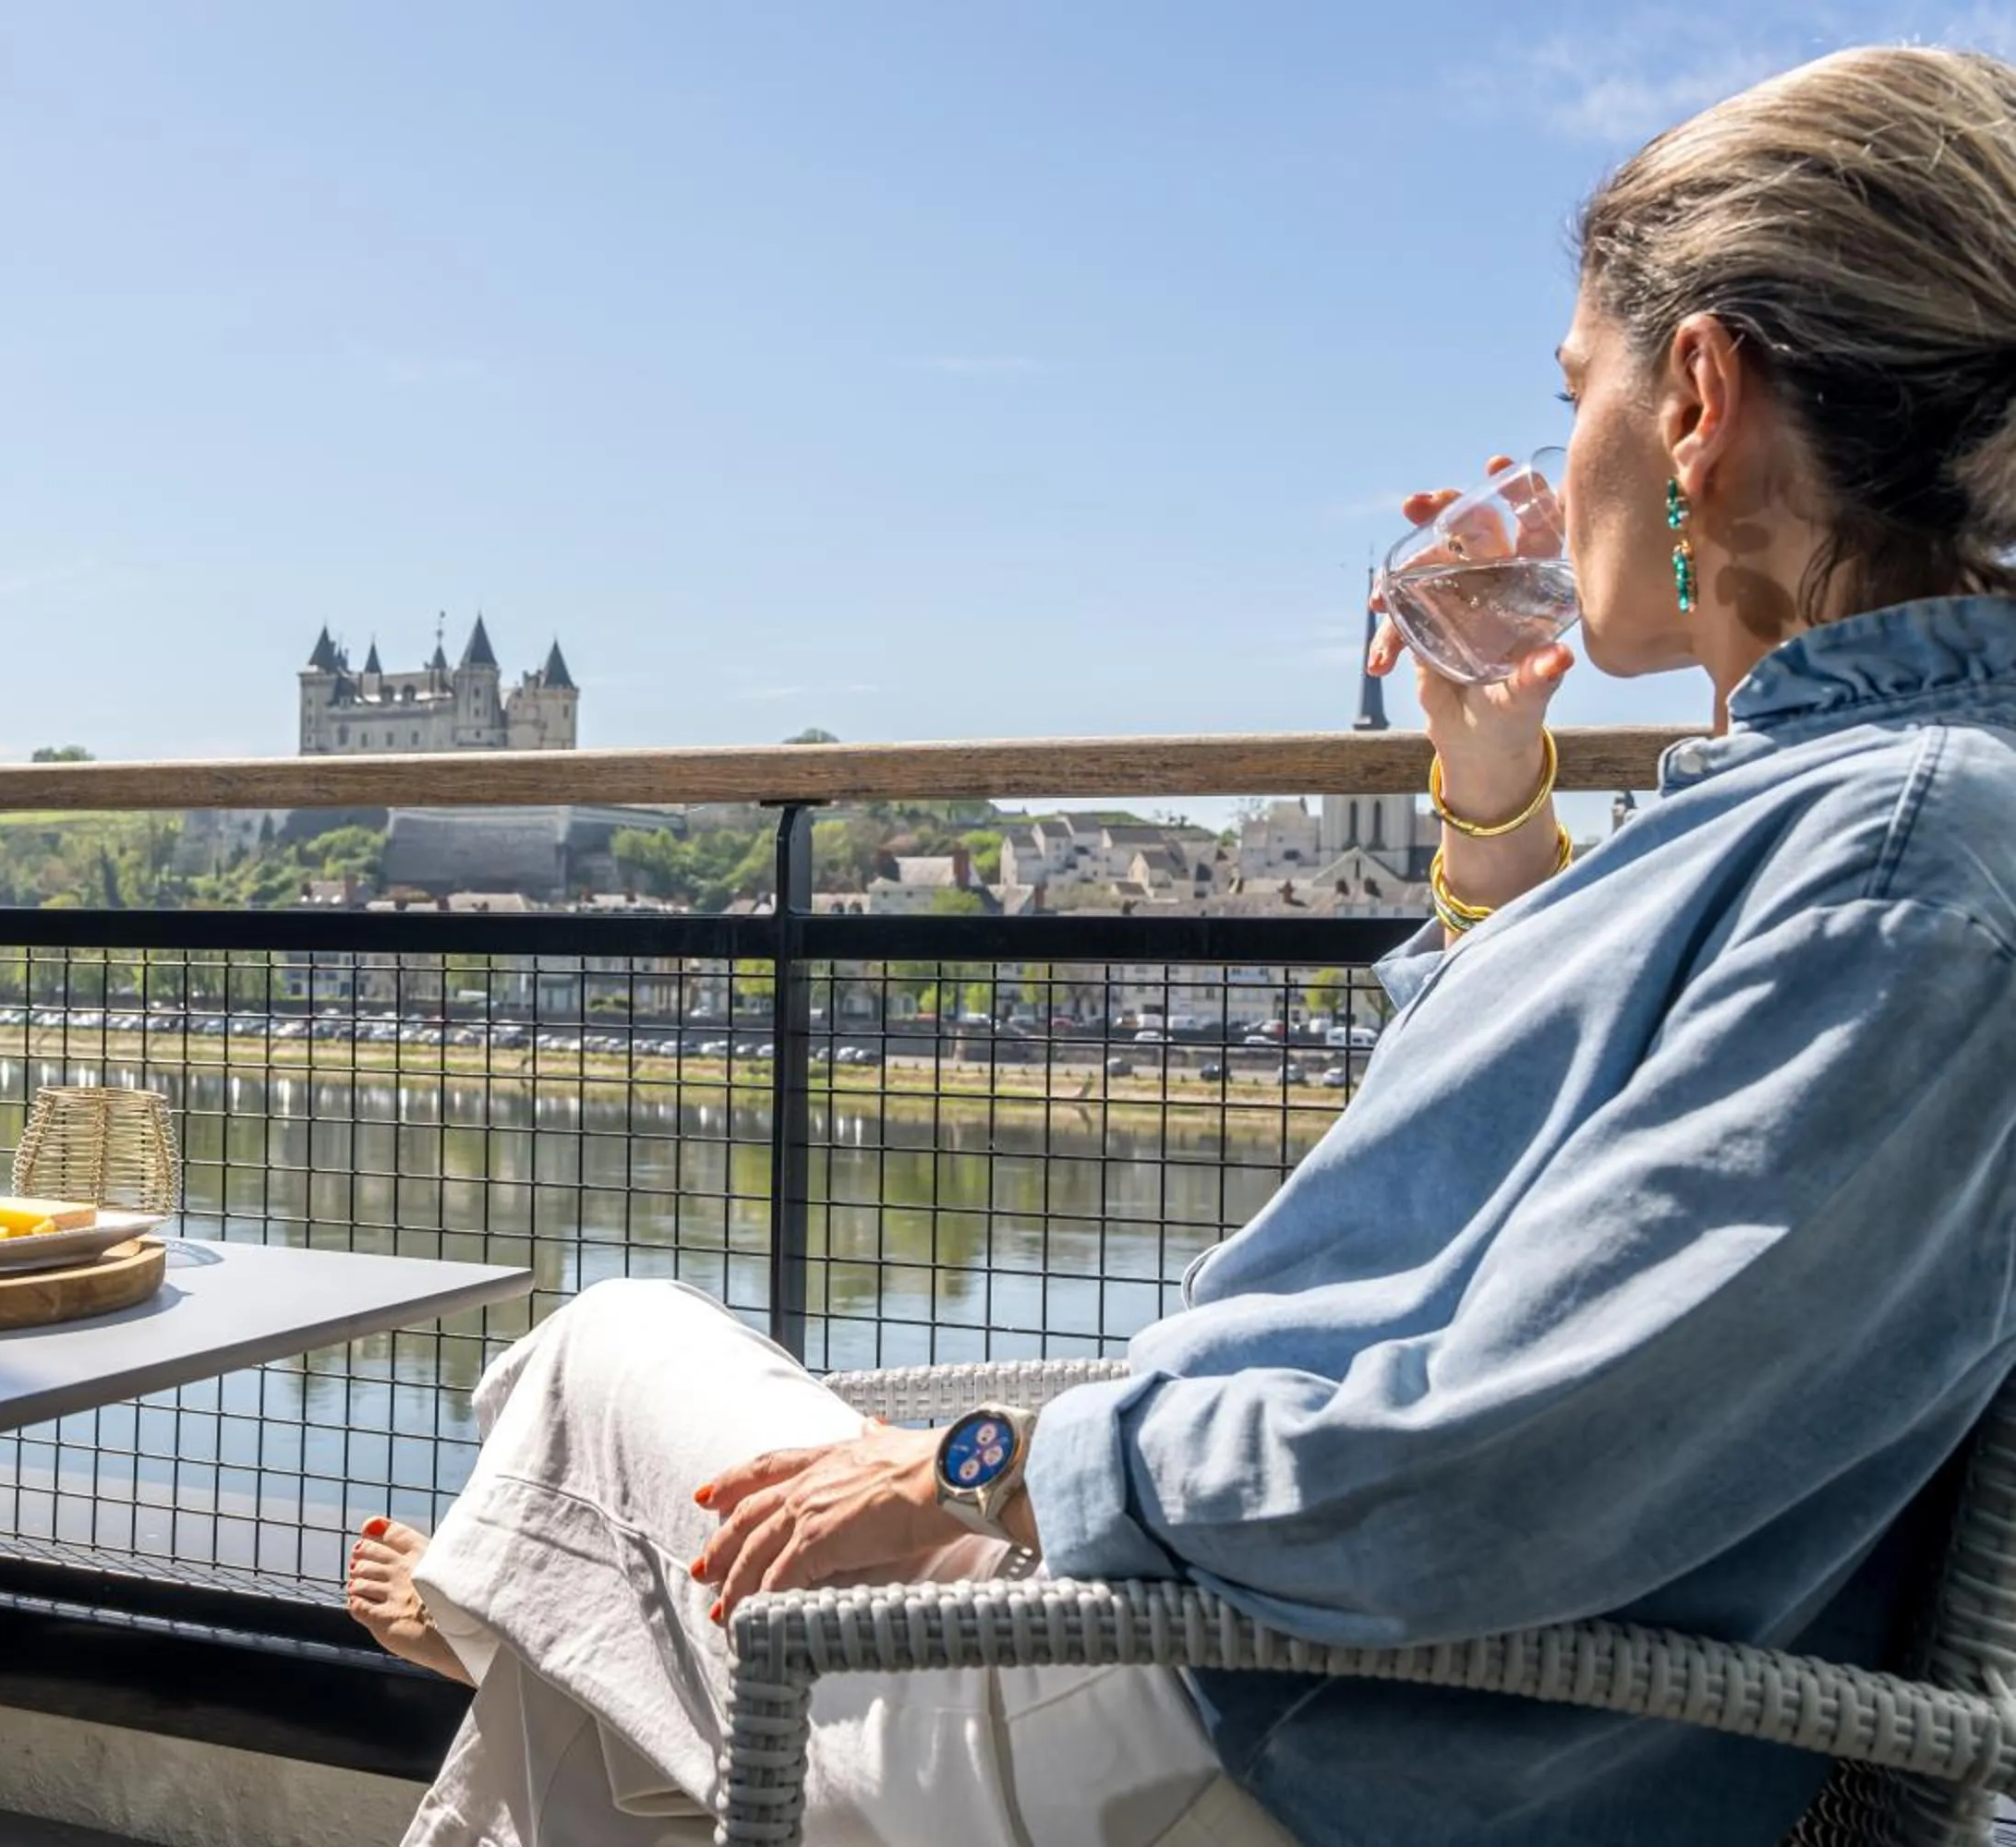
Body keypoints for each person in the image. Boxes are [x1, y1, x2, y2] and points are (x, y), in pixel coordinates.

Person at [345, 44, 2016, 1847]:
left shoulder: (1905, 851)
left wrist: (987, 1465)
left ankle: (505, 1587)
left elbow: (1511, 1462)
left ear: (1695, 393)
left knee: (603, 1354)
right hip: (1313, 1671)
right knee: (598, 1705)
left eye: (1573, 396)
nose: (1560, 464)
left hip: (1286, 1730)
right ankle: (523, 1597)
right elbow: (1569, 1188)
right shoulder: (1851, 810)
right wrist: (1487, 777)